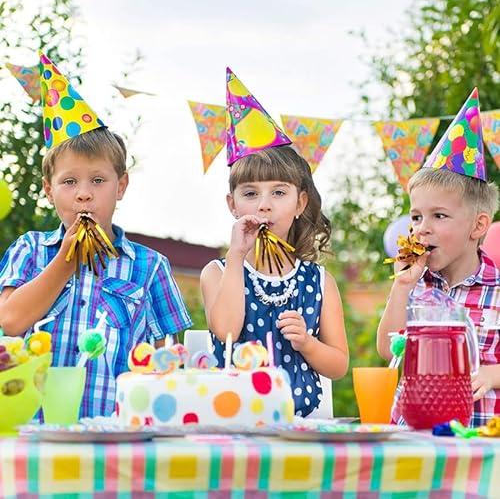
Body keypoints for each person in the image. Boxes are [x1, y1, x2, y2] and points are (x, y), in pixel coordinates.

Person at [0, 52, 192, 418]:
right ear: (48, 190)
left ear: (121, 186)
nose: (83, 193)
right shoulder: (30, 250)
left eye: (98, 181)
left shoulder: (151, 267)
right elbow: (11, 320)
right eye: (69, 182)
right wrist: (66, 259)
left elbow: (170, 362)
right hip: (33, 430)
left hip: (116, 434)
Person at [200, 68, 348, 417]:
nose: (264, 204)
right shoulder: (217, 272)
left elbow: (338, 365)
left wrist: (308, 344)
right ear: (232, 205)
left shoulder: (318, 282)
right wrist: (236, 256)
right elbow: (226, 331)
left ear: (299, 204)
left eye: (278, 193)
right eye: (250, 193)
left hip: (303, 424)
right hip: (234, 422)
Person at [377, 88, 500, 427]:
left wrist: (492, 373)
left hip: (481, 444)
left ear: (478, 225)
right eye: (416, 217)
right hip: (416, 438)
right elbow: (389, 351)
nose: (421, 229)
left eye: (439, 216)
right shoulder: (414, 288)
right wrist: (401, 286)